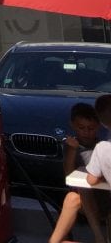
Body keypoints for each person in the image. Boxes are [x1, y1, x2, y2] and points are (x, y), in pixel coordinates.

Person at [49, 102, 107, 243]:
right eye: (81, 128)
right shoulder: (71, 147)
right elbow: (69, 176)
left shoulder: (103, 147)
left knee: (82, 187)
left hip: (105, 198)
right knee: (72, 196)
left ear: (98, 127)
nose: (86, 132)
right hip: (85, 201)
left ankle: (100, 238)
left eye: (91, 128)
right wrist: (72, 150)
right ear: (73, 126)